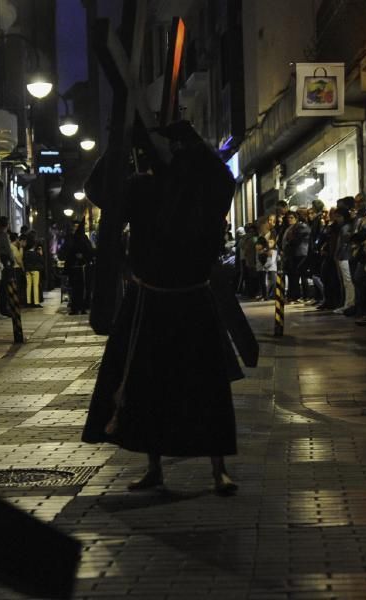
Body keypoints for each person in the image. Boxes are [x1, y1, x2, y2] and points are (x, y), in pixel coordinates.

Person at [81, 120, 240, 495]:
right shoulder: (140, 188)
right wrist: (116, 143)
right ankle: (154, 467)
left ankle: (219, 469)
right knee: (147, 385)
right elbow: (100, 190)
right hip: (150, 298)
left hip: (192, 297)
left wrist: (191, 138)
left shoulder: (197, 188)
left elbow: (223, 180)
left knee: (207, 386)